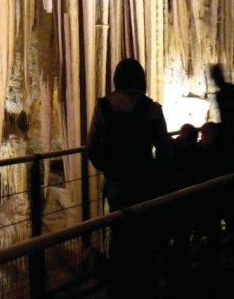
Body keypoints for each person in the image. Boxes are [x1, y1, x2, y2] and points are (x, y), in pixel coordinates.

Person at [87, 58, 172, 298]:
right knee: (144, 240)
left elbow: (92, 147)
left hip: (116, 187)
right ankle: (145, 287)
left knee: (119, 237)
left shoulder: (103, 108)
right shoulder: (153, 110)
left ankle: (120, 288)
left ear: (117, 79)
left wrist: (110, 168)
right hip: (145, 186)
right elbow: (165, 150)